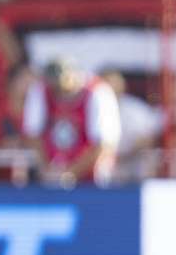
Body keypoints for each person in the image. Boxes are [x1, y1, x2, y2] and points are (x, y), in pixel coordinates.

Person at [22, 58, 120, 187]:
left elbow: (104, 144)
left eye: (62, 85)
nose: (58, 91)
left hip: (92, 179)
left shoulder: (98, 93)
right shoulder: (41, 90)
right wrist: (46, 168)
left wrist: (70, 174)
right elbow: (32, 134)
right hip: (51, 175)